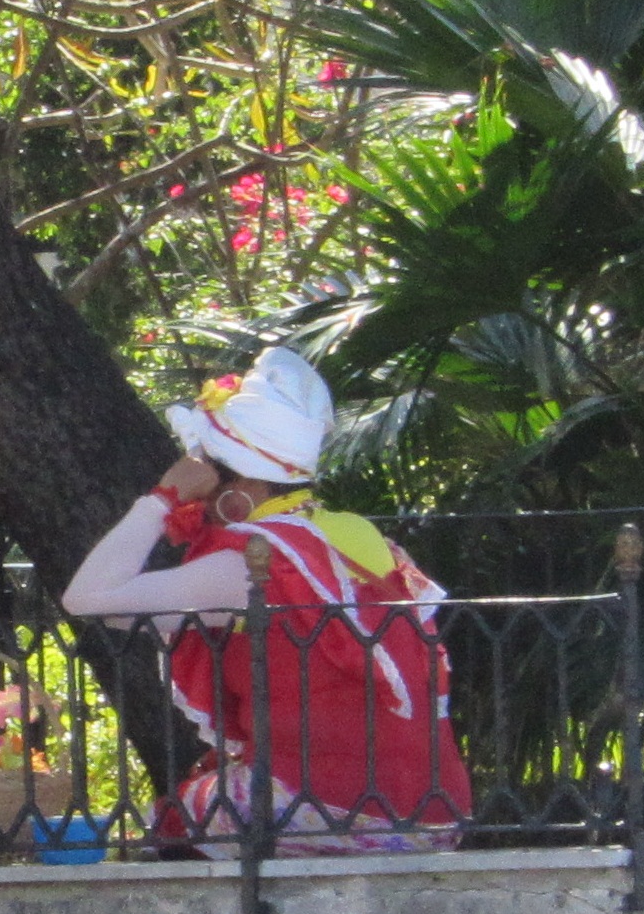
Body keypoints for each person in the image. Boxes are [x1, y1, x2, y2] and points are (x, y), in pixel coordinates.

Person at [60, 347, 472, 851]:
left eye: (204, 476)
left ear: (236, 484)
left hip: (334, 810)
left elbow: (87, 598)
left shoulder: (251, 559)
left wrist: (161, 498)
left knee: (170, 818)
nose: (197, 497)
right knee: (210, 793)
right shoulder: (353, 532)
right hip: (437, 812)